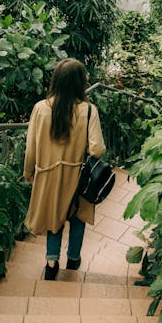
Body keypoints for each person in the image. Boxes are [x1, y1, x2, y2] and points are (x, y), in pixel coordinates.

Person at [23, 58, 106, 280]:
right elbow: (97, 149)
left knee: (53, 216)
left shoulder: (40, 108)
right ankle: (73, 259)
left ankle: (51, 262)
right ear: (81, 82)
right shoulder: (89, 110)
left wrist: (28, 172)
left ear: (56, 80)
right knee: (77, 216)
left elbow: (30, 147)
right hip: (78, 175)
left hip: (48, 174)